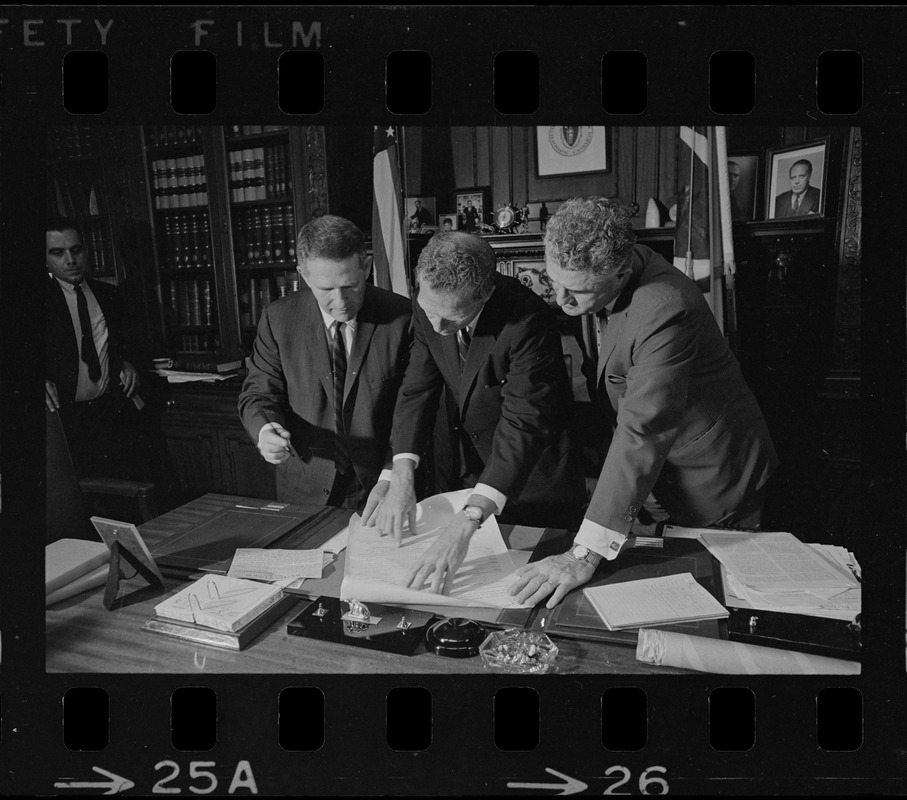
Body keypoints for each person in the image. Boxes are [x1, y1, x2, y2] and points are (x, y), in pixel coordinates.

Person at [507, 197, 779, 609]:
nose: (560, 300)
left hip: (715, 479)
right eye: (554, 280)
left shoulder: (666, 308)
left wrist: (583, 554)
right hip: (658, 477)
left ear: (620, 273)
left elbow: (643, 428)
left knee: (718, 606)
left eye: (576, 291)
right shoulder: (594, 277)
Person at [363, 231, 585, 594]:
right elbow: (418, 387)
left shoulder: (528, 320)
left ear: (485, 293)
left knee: (523, 594)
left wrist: (468, 517)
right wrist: (399, 471)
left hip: (532, 481)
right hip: (471, 472)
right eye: (430, 314)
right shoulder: (431, 302)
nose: (437, 328)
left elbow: (524, 423)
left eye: (452, 319)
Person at [238, 215, 412, 508]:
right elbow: (258, 394)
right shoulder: (279, 319)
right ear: (303, 276)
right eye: (326, 290)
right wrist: (265, 431)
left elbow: (411, 408)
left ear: (366, 267)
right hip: (305, 484)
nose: (341, 301)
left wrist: (390, 476)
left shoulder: (403, 318)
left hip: (380, 484)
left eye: (350, 286)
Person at [45, 220, 143, 480]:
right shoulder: (33, 303)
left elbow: (121, 343)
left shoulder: (107, 294)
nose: (70, 260)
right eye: (58, 252)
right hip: (64, 421)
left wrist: (125, 362)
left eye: (76, 250)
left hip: (107, 415)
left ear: (86, 251)